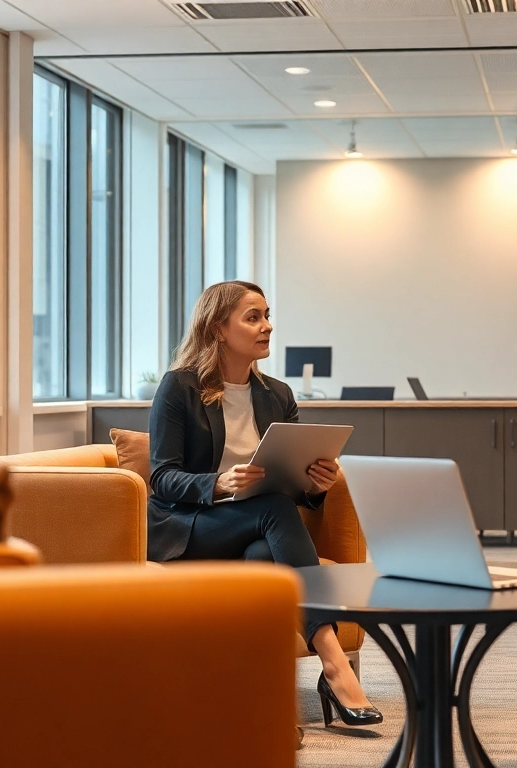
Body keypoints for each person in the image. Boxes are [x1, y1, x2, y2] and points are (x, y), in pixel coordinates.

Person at [147, 280, 381, 736]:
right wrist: (217, 483)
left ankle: (265, 705)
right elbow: (161, 476)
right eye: (253, 317)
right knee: (274, 509)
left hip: (256, 528)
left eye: (267, 315)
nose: (267, 326)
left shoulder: (276, 394)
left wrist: (316, 484)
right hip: (190, 526)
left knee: (263, 557)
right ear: (218, 328)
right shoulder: (179, 388)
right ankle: (335, 665)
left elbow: (290, 483)